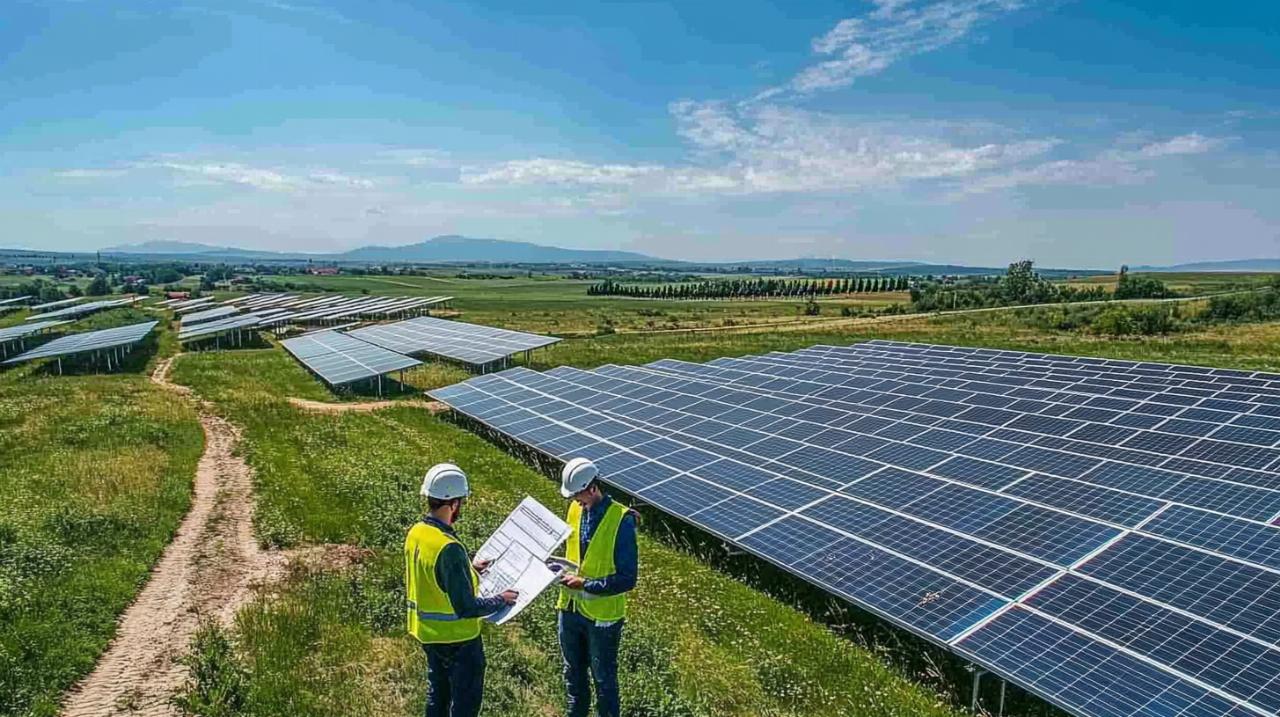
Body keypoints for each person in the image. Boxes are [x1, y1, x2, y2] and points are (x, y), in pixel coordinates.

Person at [405, 463, 518, 717]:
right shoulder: (449, 548)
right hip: (459, 641)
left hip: (429, 635)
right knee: (464, 706)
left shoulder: (417, 533)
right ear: (454, 504)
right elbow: (466, 607)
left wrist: (469, 567)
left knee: (438, 698)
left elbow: (433, 573)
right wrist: (501, 599)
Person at [555, 457, 638, 717]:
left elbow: (627, 579)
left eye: (577, 495)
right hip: (570, 607)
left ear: (592, 488)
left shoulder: (621, 521)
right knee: (573, 673)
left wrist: (586, 584)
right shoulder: (575, 509)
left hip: (603, 618)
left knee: (603, 679)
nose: (574, 500)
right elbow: (575, 554)